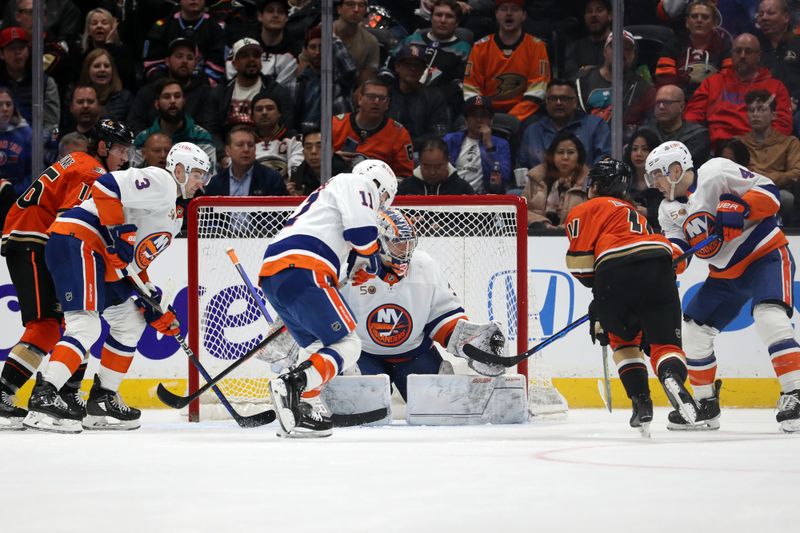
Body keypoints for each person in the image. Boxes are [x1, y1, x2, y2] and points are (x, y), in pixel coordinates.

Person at [23, 142, 212, 433]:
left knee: (131, 320)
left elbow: (134, 261)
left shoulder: (174, 214)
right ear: (179, 170)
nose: (202, 182)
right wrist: (117, 232)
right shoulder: (162, 181)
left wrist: (152, 299)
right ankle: (43, 397)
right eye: (198, 173)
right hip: (80, 239)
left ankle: (102, 399)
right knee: (85, 326)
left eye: (205, 175)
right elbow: (106, 186)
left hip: (102, 257)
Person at [644, 140, 800, 432]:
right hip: (725, 273)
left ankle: (795, 392)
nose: (655, 183)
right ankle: (705, 405)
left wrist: (740, 206)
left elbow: (771, 194)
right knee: (693, 330)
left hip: (764, 255)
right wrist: (669, 259)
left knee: (769, 316)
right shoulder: (667, 209)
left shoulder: (716, 171)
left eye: (658, 175)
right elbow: (680, 246)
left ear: (676, 169)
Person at [0, 119, 134, 430]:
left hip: (33, 236)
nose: (125, 159)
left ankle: (69, 393)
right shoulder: (94, 173)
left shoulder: (80, 160)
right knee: (48, 325)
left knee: (73, 319)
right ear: (102, 147)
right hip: (32, 238)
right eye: (120, 150)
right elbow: (71, 224)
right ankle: (4, 391)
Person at [259, 159, 399, 438]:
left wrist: (361, 266)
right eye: (384, 200)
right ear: (381, 188)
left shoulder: (329, 198)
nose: (380, 207)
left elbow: (346, 258)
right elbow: (361, 235)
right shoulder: (358, 184)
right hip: (305, 267)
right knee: (348, 343)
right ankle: (293, 384)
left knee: (317, 345)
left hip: (274, 273)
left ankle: (302, 408)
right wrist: (375, 260)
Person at [564, 159, 700, 433]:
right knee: (665, 346)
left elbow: (580, 265)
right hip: (658, 263)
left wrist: (599, 301)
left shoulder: (585, 208)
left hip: (613, 271)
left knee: (623, 342)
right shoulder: (636, 214)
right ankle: (671, 375)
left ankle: (641, 402)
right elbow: (675, 260)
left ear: (597, 186)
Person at [684, 33, 792, 150]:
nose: (742, 56)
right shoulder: (713, 82)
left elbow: (783, 125)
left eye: (749, 51)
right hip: (716, 149)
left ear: (759, 55)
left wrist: (764, 146)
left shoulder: (776, 87)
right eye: (738, 51)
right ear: (731, 54)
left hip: (758, 150)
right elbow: (692, 116)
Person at [463, 0, 551, 123]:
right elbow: (471, 87)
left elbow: (537, 90)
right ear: (496, 14)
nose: (509, 13)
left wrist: (511, 118)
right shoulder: (480, 47)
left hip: (524, 114)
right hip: (485, 113)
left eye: (515, 9)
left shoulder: (537, 46)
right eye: (504, 9)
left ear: (524, 15)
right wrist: (483, 114)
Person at [392, 0, 472, 122]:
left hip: (439, 107)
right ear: (431, 18)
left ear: (457, 23)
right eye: (438, 15)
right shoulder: (412, 40)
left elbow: (466, 83)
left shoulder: (464, 50)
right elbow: (390, 65)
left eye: (449, 16)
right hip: (401, 99)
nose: (443, 20)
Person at [127, 37, 217, 135]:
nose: (184, 61)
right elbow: (134, 124)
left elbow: (208, 127)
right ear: (167, 61)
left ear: (196, 64)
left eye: (190, 58)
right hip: (153, 146)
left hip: (191, 146)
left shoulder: (205, 93)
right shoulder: (148, 91)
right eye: (179, 56)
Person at [576, 29, 655, 141]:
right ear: (604, 51)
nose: (621, 52)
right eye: (615, 46)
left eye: (627, 49)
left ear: (633, 55)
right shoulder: (584, 81)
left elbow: (650, 125)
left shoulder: (642, 88)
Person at [737, 89, 800, 225]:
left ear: (773, 115)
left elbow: (796, 173)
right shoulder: (739, 143)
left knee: (787, 198)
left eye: (761, 110)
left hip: (777, 191)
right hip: (747, 192)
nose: (755, 114)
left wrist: (762, 178)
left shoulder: (789, 142)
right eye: (751, 110)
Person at [518, 79, 611, 169]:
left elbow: (605, 161)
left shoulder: (595, 125)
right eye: (553, 99)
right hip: (541, 183)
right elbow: (522, 168)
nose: (558, 103)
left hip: (585, 183)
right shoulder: (532, 131)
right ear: (546, 102)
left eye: (564, 98)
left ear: (575, 102)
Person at [332, 79, 415, 178]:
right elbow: (315, 162)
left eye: (382, 98)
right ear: (360, 99)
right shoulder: (335, 124)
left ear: (387, 103)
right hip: (338, 186)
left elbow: (404, 177)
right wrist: (333, 159)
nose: (376, 102)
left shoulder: (399, 134)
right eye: (371, 97)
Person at [214, 37, 293, 135]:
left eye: (256, 56)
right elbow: (211, 130)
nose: (251, 59)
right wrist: (224, 150)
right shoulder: (220, 92)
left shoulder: (277, 92)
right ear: (234, 64)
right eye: (244, 56)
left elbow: (286, 128)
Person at [132, 78, 217, 170]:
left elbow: (209, 177)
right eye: (166, 97)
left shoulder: (201, 137)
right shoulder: (143, 139)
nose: (172, 101)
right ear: (157, 104)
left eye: (177, 96)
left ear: (184, 101)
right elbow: (134, 177)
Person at [655, 0, 731, 97]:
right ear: (687, 22)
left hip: (714, 100)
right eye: (694, 16)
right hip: (679, 102)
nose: (699, 20)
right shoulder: (673, 46)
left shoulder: (724, 46)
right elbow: (665, 81)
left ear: (714, 23)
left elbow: (729, 80)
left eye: (705, 17)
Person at [143, 0, 226, 86]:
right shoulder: (162, 27)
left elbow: (217, 67)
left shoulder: (216, 29)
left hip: (202, 90)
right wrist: (166, 85)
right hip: (165, 88)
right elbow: (152, 64)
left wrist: (194, 86)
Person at [385, 44, 450, 151]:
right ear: (397, 66)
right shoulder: (385, 92)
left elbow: (439, 132)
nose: (413, 69)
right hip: (385, 147)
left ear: (424, 69)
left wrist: (408, 145)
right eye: (408, 64)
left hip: (419, 152)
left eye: (418, 65)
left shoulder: (434, 97)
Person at [294, 24, 358, 130]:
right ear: (306, 50)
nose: (318, 52)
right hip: (310, 139)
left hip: (339, 135)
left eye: (322, 47)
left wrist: (332, 38)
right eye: (312, 47)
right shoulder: (300, 82)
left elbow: (350, 71)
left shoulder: (339, 78)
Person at [443, 95, 511, 194]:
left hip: (483, 199)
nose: (479, 120)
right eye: (474, 115)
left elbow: (503, 179)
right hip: (452, 196)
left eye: (483, 115)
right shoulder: (450, 140)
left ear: (491, 120)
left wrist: (489, 147)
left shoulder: (501, 144)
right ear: (466, 120)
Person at [0, 26, 60, 136]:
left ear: (28, 51)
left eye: (21, 47)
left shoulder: (45, 83)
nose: (17, 52)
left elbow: (52, 126)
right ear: (2, 54)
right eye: (11, 48)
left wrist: (33, 144)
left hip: (36, 145)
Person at [522, 131, 589, 230]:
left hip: (574, 238)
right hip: (538, 236)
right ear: (552, 156)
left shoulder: (589, 182)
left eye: (570, 152)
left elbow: (591, 216)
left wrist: (561, 229)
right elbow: (521, 210)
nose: (565, 157)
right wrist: (543, 224)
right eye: (560, 152)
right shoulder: (536, 178)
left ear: (579, 156)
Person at [204, 125, 287, 196]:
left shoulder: (272, 179)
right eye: (240, 145)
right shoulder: (215, 183)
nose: (246, 149)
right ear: (228, 151)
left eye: (250, 145)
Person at [648, 84, 711, 167]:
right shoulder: (646, 132)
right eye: (658, 102)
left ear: (682, 106)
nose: (661, 106)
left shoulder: (698, 135)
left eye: (667, 102)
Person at [251, 92, 303, 178]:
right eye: (259, 109)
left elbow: (296, 168)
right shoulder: (245, 142)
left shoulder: (293, 139)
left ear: (279, 113)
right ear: (252, 116)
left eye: (270, 108)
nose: (264, 112)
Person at [398, 138, 475, 195]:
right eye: (426, 166)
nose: (432, 172)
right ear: (419, 161)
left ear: (448, 161)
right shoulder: (405, 188)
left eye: (438, 166)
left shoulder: (462, 189)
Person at [288, 128, 348, 195]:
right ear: (303, 153)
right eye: (308, 147)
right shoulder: (298, 174)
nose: (313, 151)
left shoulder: (346, 174)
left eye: (320, 146)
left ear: (331, 150)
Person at [77, 48, 132, 122]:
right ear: (87, 70)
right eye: (97, 66)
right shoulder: (77, 97)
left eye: (106, 66)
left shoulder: (125, 97)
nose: (102, 69)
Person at [624, 128, 664, 231]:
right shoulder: (623, 180)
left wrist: (649, 213)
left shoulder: (665, 180)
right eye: (635, 149)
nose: (639, 154)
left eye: (645, 149)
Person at [563, 0, 613, 80]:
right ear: (585, 17)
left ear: (610, 15)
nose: (593, 15)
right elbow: (570, 77)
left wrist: (589, 71)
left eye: (599, 10)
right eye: (589, 11)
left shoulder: (621, 44)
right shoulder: (576, 47)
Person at [333, 0, 380, 83]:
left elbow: (363, 83)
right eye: (350, 4)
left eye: (361, 5)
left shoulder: (371, 42)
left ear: (365, 10)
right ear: (339, 8)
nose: (356, 9)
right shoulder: (322, 31)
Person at [0, 87, 32, 195]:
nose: (5, 109)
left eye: (8, 104)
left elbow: (33, 172)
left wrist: (13, 193)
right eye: (0, 104)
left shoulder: (26, 134)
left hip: (18, 196)